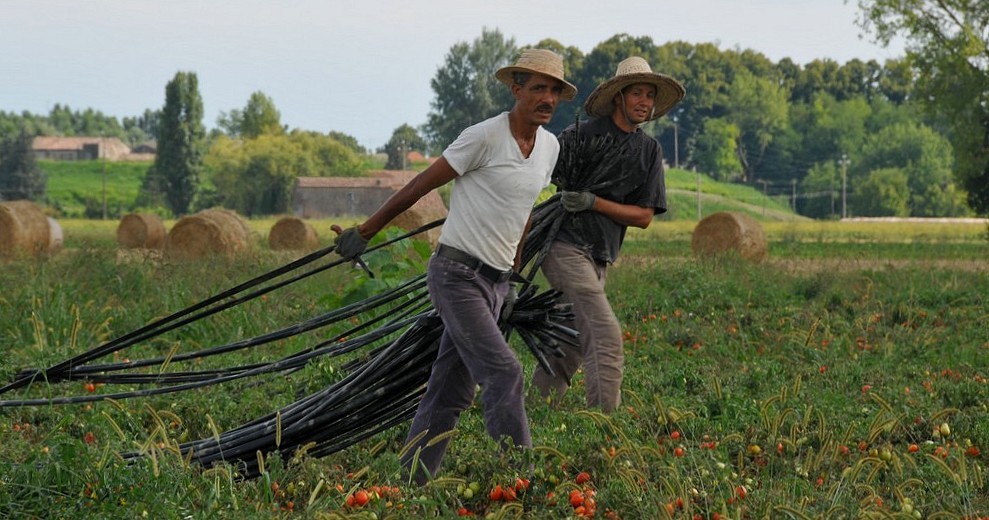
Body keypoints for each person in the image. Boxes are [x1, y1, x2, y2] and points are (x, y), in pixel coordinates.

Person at [332, 48, 577, 484]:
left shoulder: (549, 149)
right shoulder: (482, 137)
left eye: (554, 90)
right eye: (537, 87)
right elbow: (419, 186)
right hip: (456, 275)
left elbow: (523, 208)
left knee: (452, 388)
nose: (547, 98)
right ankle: (520, 479)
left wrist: (514, 266)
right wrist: (364, 232)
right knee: (505, 371)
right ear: (515, 89)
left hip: (497, 285)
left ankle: (412, 481)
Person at [531, 56, 685, 413]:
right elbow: (534, 178)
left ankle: (534, 412)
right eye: (637, 94)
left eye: (649, 95)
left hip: (600, 256)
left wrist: (593, 202)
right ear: (619, 96)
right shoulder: (580, 136)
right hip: (564, 246)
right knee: (604, 334)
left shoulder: (648, 150)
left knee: (570, 340)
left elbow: (644, 216)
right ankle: (605, 426)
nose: (644, 102)